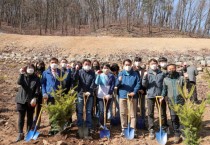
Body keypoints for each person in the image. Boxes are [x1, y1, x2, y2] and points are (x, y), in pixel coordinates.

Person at [161, 64, 188, 143]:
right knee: (173, 118)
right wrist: (162, 96)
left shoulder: (180, 78)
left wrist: (187, 78)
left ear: (175, 69)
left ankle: (184, 133)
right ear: (167, 70)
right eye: (169, 69)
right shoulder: (166, 79)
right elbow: (164, 89)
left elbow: (188, 85)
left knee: (182, 118)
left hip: (181, 101)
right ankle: (177, 134)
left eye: (173, 68)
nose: (171, 70)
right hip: (171, 102)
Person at [142, 59, 166, 140]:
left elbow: (164, 85)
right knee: (150, 113)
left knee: (162, 113)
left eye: (155, 63)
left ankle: (162, 127)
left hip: (160, 96)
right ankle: (151, 129)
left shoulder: (162, 73)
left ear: (157, 64)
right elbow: (144, 85)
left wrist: (163, 95)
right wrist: (145, 77)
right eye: (152, 63)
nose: (154, 65)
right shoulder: (147, 73)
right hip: (150, 96)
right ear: (149, 64)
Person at [15, 63, 40, 142]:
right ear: (26, 69)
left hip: (31, 101)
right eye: (29, 67)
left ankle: (28, 133)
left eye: (32, 67)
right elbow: (19, 82)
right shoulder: (23, 76)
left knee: (30, 117)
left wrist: (35, 97)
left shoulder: (36, 78)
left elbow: (37, 89)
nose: (30, 69)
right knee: (21, 117)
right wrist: (21, 73)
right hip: (21, 100)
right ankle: (20, 133)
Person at [116, 59, 140, 138]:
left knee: (133, 114)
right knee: (123, 113)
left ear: (131, 65)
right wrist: (119, 81)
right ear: (123, 65)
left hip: (132, 96)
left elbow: (138, 83)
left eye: (129, 64)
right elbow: (116, 85)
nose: (127, 66)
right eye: (126, 65)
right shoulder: (121, 73)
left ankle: (133, 129)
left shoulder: (135, 74)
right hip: (122, 95)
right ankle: (124, 128)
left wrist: (134, 91)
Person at [41, 57, 63, 136]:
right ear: (49, 63)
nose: (54, 64)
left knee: (57, 112)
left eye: (55, 62)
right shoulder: (45, 73)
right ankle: (52, 128)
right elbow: (43, 83)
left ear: (57, 63)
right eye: (52, 62)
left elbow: (63, 82)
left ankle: (57, 129)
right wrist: (44, 93)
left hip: (58, 95)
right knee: (51, 112)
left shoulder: (60, 72)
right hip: (49, 95)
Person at [74, 59, 96, 136]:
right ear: (82, 65)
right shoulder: (79, 72)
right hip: (80, 94)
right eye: (86, 64)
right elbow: (75, 81)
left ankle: (89, 127)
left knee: (89, 111)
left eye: (89, 64)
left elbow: (93, 83)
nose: (87, 65)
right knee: (80, 111)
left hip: (89, 95)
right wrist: (76, 70)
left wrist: (90, 91)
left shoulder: (92, 73)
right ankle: (80, 127)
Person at [95, 63, 115, 129]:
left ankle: (105, 124)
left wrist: (109, 94)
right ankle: (101, 124)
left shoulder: (111, 76)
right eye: (104, 68)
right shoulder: (100, 75)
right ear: (102, 69)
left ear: (109, 69)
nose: (106, 69)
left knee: (106, 110)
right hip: (101, 95)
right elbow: (96, 83)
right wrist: (98, 75)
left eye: (107, 68)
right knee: (101, 110)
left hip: (108, 96)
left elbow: (112, 86)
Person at [133, 57, 147, 129]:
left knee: (142, 106)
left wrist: (142, 89)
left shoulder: (144, 70)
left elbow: (145, 81)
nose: (137, 62)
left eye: (139, 61)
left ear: (141, 62)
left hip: (142, 91)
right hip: (134, 92)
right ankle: (134, 122)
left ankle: (143, 121)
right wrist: (137, 89)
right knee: (134, 106)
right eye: (136, 61)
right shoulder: (132, 70)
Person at [34, 60, 46, 128]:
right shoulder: (34, 73)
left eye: (41, 64)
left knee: (39, 107)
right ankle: (33, 121)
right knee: (33, 107)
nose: (39, 66)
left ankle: (38, 122)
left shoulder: (44, 73)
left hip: (41, 92)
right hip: (34, 92)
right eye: (38, 64)